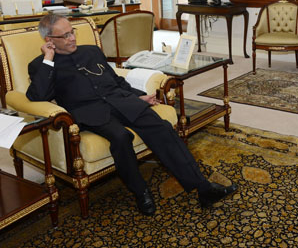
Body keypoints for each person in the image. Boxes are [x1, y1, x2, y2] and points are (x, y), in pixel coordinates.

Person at [26, 14, 237, 215]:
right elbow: (37, 96)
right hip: (91, 113)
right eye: (65, 36)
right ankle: (141, 192)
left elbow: (116, 80)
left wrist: (137, 96)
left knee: (162, 128)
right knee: (121, 137)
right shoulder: (42, 65)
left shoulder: (91, 51)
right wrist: (49, 58)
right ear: (49, 40)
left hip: (122, 102)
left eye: (72, 32)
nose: (72, 38)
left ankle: (203, 188)